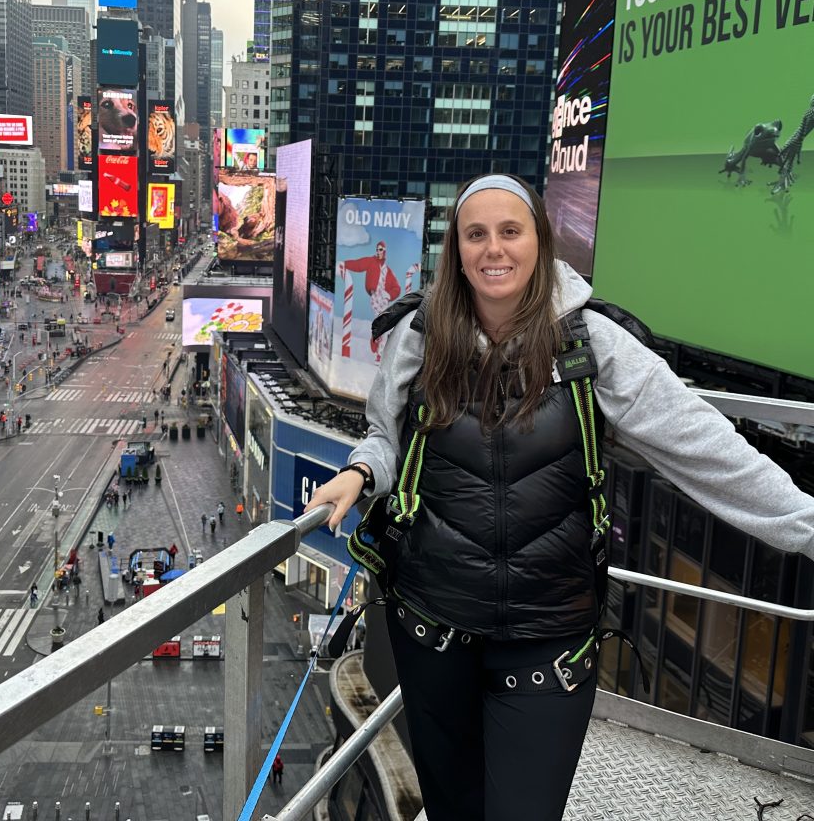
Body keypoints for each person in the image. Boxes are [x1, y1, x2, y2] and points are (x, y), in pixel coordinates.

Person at [303, 173, 814, 821]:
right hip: (431, 628)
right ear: (455, 250)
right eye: (476, 234)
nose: (494, 249)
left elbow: (707, 449)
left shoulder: (592, 343)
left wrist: (806, 526)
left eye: (510, 231)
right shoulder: (421, 333)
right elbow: (386, 437)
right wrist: (359, 472)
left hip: (549, 639)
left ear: (540, 243)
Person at [341, 239, 403, 361]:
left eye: (380, 249)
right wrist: (344, 264)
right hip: (375, 297)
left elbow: (397, 288)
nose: (378, 251)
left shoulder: (388, 271)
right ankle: (376, 343)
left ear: (384, 251)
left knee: (384, 325)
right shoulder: (371, 262)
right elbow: (358, 264)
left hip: (384, 300)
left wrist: (388, 295)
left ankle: (379, 354)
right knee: (381, 323)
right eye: (377, 249)